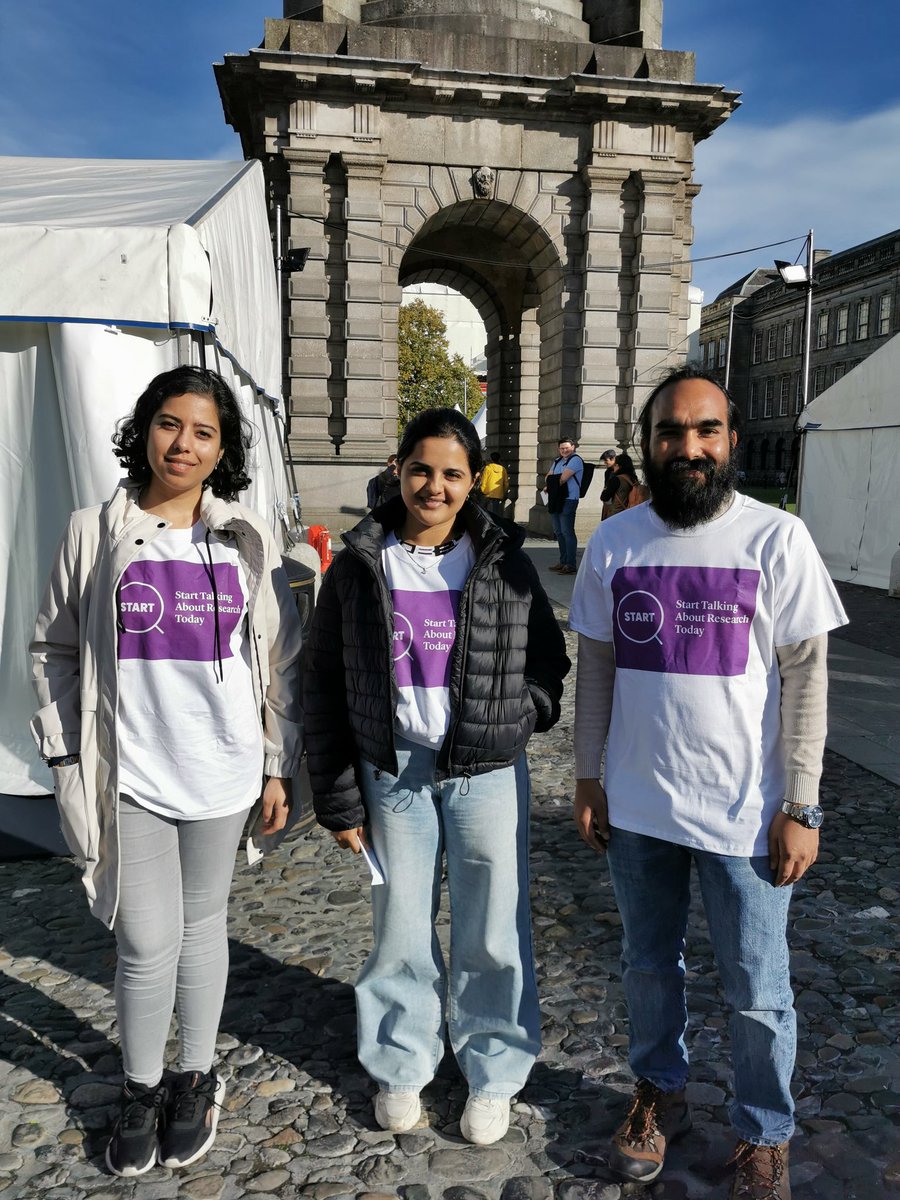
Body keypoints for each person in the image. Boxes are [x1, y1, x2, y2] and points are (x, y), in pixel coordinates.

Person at [568, 365, 846, 1200]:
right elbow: (597, 673)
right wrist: (589, 777)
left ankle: (765, 1134)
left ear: (727, 441)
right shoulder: (615, 541)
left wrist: (801, 802)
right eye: (670, 433)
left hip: (748, 814)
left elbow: (807, 681)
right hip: (640, 804)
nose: (688, 447)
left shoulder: (777, 539)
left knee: (759, 988)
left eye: (706, 431)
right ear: (647, 444)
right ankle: (660, 1093)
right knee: (648, 965)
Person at [30, 366, 303, 1178]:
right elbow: (52, 646)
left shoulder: (244, 536)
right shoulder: (93, 530)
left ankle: (196, 1076)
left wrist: (277, 765)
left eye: (204, 431)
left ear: (223, 449)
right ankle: (142, 1086)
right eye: (169, 424)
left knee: (201, 928)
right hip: (133, 773)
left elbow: (278, 660)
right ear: (144, 428)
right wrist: (66, 749)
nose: (183, 443)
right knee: (145, 940)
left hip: (221, 774)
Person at [303, 407, 570, 1146]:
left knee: (494, 926)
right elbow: (321, 679)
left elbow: (548, 659)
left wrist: (523, 716)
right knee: (399, 927)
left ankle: (493, 1070)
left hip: (486, 770)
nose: (435, 486)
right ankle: (400, 1061)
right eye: (422, 469)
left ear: (472, 480)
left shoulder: (504, 559)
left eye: (453, 473)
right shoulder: (361, 564)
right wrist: (335, 795)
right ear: (398, 469)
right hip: (393, 772)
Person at [545, 436, 584, 575]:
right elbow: (547, 477)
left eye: (567, 448)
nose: (564, 450)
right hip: (556, 499)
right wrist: (552, 480)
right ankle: (563, 561)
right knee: (559, 532)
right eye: (561, 448)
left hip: (569, 499)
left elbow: (562, 479)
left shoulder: (576, 460)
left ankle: (570, 564)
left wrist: (552, 480)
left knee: (567, 532)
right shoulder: (557, 461)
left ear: (573, 447)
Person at [479, 451, 509, 516]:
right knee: (496, 512)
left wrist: (483, 490)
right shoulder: (503, 469)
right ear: (499, 459)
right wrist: (503, 492)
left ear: (491, 459)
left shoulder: (488, 468)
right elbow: (506, 483)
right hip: (498, 494)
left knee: (484, 511)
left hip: (488, 493)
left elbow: (484, 480)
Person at [598, 449, 618, 519]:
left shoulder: (620, 471)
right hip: (608, 501)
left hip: (617, 502)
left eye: (606, 461)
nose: (605, 463)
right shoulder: (608, 472)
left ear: (613, 459)